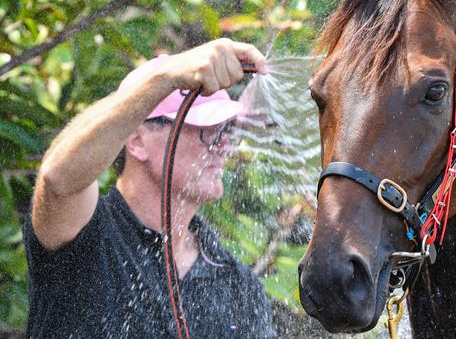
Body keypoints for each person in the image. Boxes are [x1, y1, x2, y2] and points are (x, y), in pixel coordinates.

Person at [24, 38, 276, 338]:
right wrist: (166, 77)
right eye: (207, 130)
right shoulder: (88, 236)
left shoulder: (237, 283)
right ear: (136, 139)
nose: (224, 146)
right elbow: (58, 180)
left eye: (227, 131)